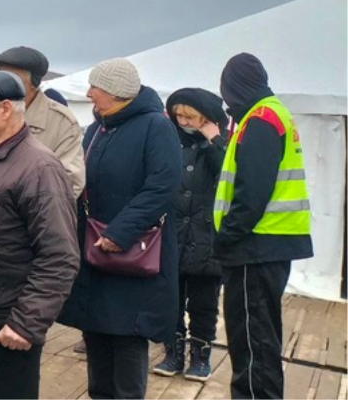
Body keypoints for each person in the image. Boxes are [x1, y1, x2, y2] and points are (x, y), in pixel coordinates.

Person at [57, 58, 183, 399]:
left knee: (127, 336)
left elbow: (163, 185)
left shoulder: (155, 126)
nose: (88, 94)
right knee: (96, 331)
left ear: (114, 91)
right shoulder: (98, 128)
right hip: (94, 250)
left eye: (94, 88)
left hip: (131, 251)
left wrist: (119, 232)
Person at [0, 71, 80, 399]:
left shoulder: (40, 168)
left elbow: (60, 255)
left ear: (6, 108)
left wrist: (27, 323)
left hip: (4, 327)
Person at [215, 53, 313, 399]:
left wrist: (226, 237)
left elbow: (251, 191)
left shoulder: (260, 119)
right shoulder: (270, 113)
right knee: (261, 337)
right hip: (267, 244)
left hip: (254, 246)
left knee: (253, 342)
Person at [153, 88, 229, 382]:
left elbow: (234, 177)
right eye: (178, 114)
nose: (182, 120)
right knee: (170, 299)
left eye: (190, 115)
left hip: (208, 240)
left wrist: (216, 140)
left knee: (204, 304)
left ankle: (201, 356)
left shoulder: (222, 144)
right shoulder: (169, 141)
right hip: (173, 235)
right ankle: (172, 353)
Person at [0, 46, 86, 198]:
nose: (3, 83)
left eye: (12, 78)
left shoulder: (62, 122)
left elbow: (69, 181)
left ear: (32, 84)